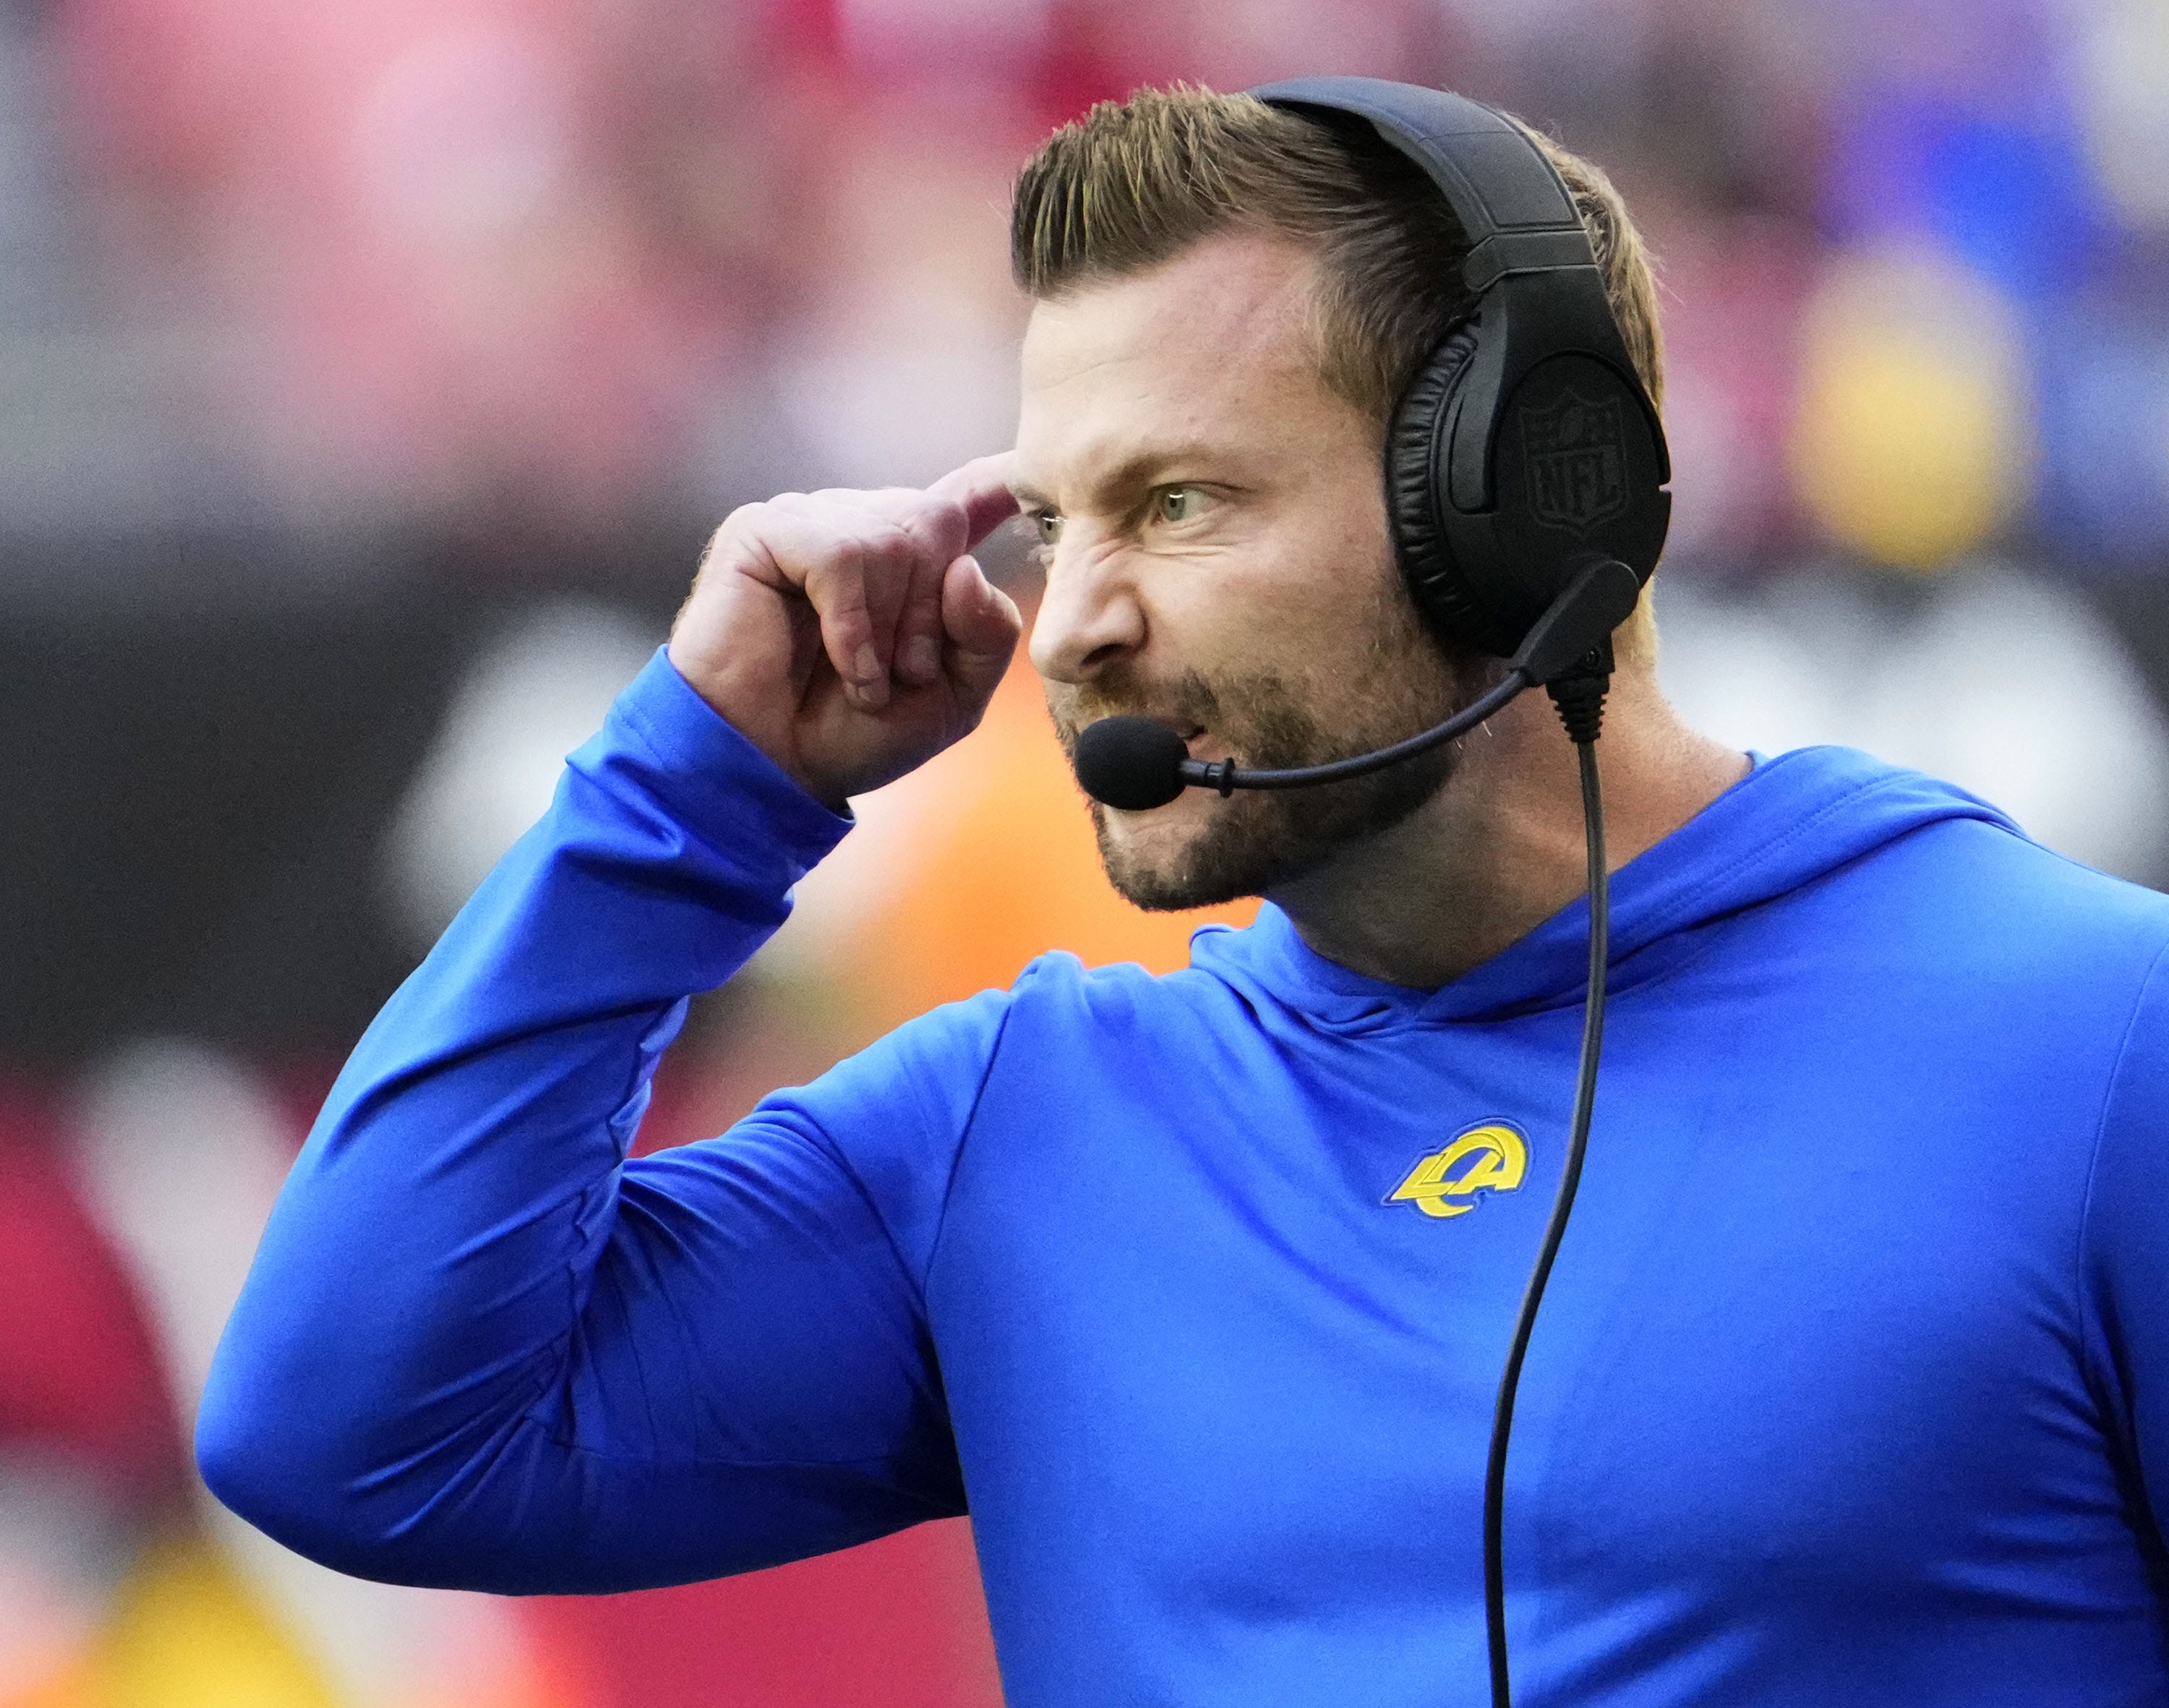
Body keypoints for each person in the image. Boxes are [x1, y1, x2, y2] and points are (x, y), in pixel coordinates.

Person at [197, 85, 2169, 1707]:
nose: (1077, 622)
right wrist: (690, 796)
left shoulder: (2096, 1045)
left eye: (1180, 505)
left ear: (1526, 506)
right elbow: (350, 1433)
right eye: (1056, 525)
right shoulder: (1007, 1134)